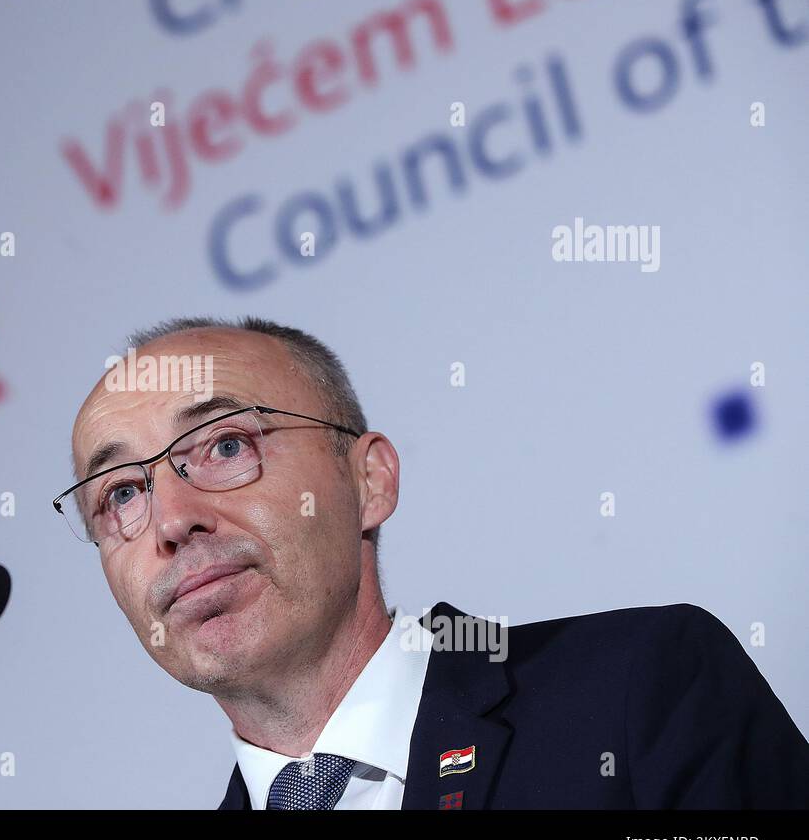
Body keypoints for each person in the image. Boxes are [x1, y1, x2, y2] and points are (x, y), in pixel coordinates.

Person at [53, 316, 809, 809]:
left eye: (224, 447)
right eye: (120, 493)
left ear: (368, 481)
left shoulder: (639, 689)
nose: (173, 520)